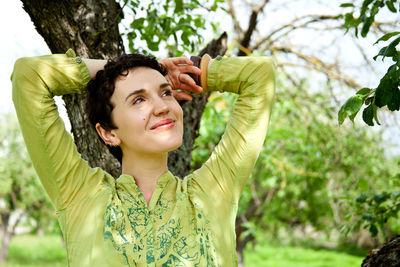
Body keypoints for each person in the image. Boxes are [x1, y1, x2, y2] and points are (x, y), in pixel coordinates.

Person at [11, 48, 275, 266]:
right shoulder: (81, 196)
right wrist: (125, 67)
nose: (162, 107)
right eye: (138, 100)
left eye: (165, 92)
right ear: (108, 133)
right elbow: (30, 76)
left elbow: (258, 75)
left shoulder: (213, 192)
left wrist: (192, 71)